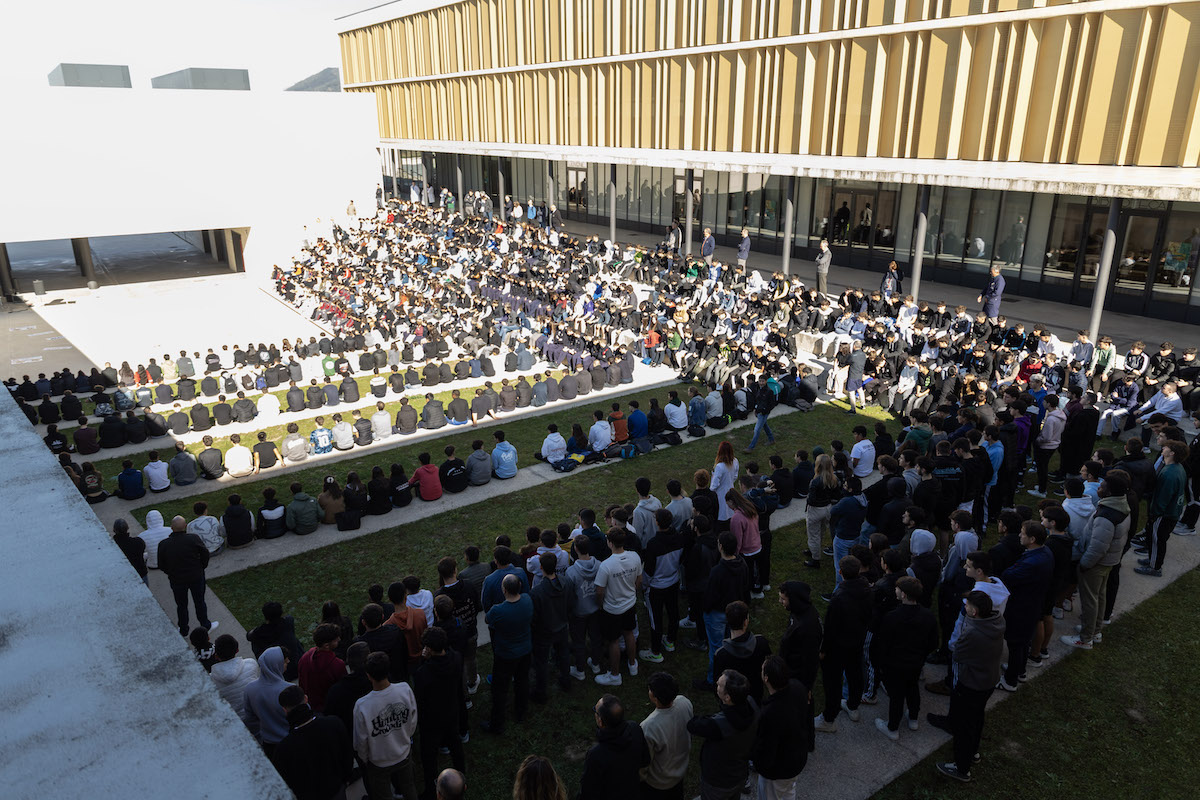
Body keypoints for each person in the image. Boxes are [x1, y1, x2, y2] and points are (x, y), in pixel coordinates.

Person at [929, 591, 1005, 783]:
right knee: (976, 718)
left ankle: (962, 768)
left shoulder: (973, 633)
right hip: (988, 680)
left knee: (963, 726)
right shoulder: (997, 622)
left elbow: (957, 654)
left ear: (974, 612)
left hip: (971, 683)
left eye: (967, 605)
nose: (965, 607)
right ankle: (973, 752)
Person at [1062, 472, 1130, 649]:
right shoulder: (1121, 505)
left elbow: (1098, 546)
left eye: (1101, 487)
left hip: (1096, 563)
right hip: (1109, 561)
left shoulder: (1107, 515)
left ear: (1109, 492)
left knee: (1090, 600)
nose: (1098, 489)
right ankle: (1095, 630)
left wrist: (1085, 564)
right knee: (1099, 596)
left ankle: (1085, 639)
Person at [873, 576, 938, 741]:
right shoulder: (928, 616)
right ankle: (913, 718)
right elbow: (933, 642)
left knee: (896, 695)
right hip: (916, 663)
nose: (895, 590)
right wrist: (921, 655)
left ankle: (892, 727)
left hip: (895, 664)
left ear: (903, 594)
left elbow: (883, 643)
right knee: (912, 687)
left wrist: (882, 663)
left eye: (897, 589)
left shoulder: (892, 617)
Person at [815, 556, 871, 732]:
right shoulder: (867, 589)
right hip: (857, 640)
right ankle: (853, 706)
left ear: (840, 572)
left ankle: (828, 719)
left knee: (833, 682)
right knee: (855, 674)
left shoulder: (839, 597)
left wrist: (823, 649)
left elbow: (831, 627)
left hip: (838, 646)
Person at [353, 652, 420, 800]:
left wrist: (365, 758)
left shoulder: (362, 705)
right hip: (403, 752)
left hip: (378, 761)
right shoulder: (404, 689)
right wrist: (405, 737)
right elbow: (413, 719)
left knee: (383, 795)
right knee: (409, 787)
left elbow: (361, 740)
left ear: (368, 676)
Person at [687, 669, 761, 800]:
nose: (716, 683)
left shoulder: (718, 725)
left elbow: (692, 725)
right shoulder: (751, 704)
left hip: (718, 783)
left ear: (727, 698)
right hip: (739, 774)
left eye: (720, 685)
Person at [272, 684, 354, 800]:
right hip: (336, 788)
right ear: (306, 699)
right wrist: (345, 779)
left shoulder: (284, 749)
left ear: (285, 710)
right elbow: (347, 755)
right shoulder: (334, 723)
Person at [998, 522, 1054, 691]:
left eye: (1022, 534)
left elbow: (1008, 575)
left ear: (1032, 539)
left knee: (1016, 644)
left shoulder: (1032, 562)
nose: (1019, 536)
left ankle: (1010, 681)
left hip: (1022, 607)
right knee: (1023, 642)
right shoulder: (1044, 552)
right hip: (1032, 604)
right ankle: (1019, 671)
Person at [412, 627, 467, 800]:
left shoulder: (424, 673)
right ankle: (461, 777)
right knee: (455, 745)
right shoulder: (456, 658)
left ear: (429, 649)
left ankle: (431, 789)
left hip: (431, 720)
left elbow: (419, 697)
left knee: (429, 757)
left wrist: (423, 660)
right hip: (451, 711)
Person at [751, 655, 809, 800]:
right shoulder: (798, 687)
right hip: (797, 760)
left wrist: (759, 765)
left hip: (778, 772)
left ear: (766, 678)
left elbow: (766, 749)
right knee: (789, 792)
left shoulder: (770, 713)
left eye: (762, 669)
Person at [483, 574, 533, 734]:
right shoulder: (527, 600)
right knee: (522, 681)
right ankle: (521, 712)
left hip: (505, 654)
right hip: (525, 650)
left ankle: (497, 724)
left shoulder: (498, 610)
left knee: (500, 689)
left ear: (504, 590)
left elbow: (487, 620)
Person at [594, 529, 643, 686]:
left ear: (609, 542)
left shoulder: (606, 565)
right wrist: (632, 592)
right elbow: (639, 579)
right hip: (630, 603)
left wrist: (600, 605)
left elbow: (599, 591)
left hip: (612, 609)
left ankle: (615, 675)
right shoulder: (635, 557)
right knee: (629, 633)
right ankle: (632, 664)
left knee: (613, 641)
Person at [579, 693, 650, 800]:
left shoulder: (596, 754)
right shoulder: (635, 728)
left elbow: (588, 791)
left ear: (600, 721)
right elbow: (645, 760)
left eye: (595, 711)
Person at [156, 515, 215, 637]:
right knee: (199, 601)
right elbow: (205, 553)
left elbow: (161, 564)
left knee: (181, 605)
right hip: (196, 576)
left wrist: (171, 572)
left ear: (171, 528)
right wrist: (201, 567)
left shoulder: (164, 544)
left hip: (177, 580)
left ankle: (183, 629)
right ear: (185, 526)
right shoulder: (193, 539)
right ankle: (205, 625)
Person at [639, 672, 693, 800]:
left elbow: (645, 760)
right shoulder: (684, 703)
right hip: (679, 773)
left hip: (658, 783)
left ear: (654, 697)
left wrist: (640, 778)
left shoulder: (649, 726)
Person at [712, 601, 772, 705]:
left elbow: (717, 683)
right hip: (756, 695)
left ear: (727, 621)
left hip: (733, 702)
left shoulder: (721, 654)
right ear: (746, 621)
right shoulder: (761, 642)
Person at [244, 647, 292, 757]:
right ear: (276, 665)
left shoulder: (249, 689)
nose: (288, 662)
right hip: (290, 741)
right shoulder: (289, 689)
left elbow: (250, 720)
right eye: (285, 662)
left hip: (268, 744)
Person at [298, 624, 345, 713]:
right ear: (326, 645)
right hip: (330, 708)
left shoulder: (304, 658)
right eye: (335, 640)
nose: (339, 639)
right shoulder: (337, 665)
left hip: (309, 706)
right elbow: (343, 688)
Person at [112, 518, 147, 584]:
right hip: (141, 574)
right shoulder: (138, 542)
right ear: (127, 528)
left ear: (114, 530)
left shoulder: (113, 547)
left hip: (123, 577)